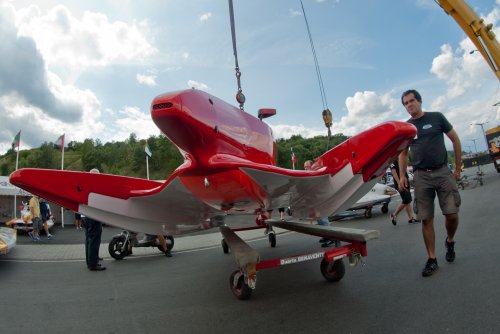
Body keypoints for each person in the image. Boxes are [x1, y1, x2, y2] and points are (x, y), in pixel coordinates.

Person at [398, 89, 462, 277]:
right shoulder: (407, 128)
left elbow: (455, 139)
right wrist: (402, 175)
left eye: (412, 101)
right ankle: (432, 258)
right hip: (420, 176)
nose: (409, 105)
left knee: (451, 214)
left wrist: (458, 168)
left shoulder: (437, 118)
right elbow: (402, 153)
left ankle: (450, 241)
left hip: (442, 171)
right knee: (426, 218)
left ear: (419, 101)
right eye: (406, 103)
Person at [304, 160, 334, 247]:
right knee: (320, 219)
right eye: (304, 167)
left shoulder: (316, 174)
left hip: (321, 200)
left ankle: (331, 237)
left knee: (323, 219)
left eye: (307, 167)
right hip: (316, 201)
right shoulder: (310, 176)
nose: (306, 169)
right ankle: (326, 236)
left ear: (311, 166)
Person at [83, 168, 105, 271]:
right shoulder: (95, 186)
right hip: (94, 215)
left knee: (89, 239)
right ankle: (93, 264)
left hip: (87, 215)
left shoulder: (86, 185)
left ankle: (91, 260)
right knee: (94, 239)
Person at [389, 159, 418, 225]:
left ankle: (411, 218)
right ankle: (394, 214)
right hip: (400, 183)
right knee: (407, 200)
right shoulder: (392, 159)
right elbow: (393, 171)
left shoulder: (400, 158)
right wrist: (399, 183)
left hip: (405, 182)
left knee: (407, 201)